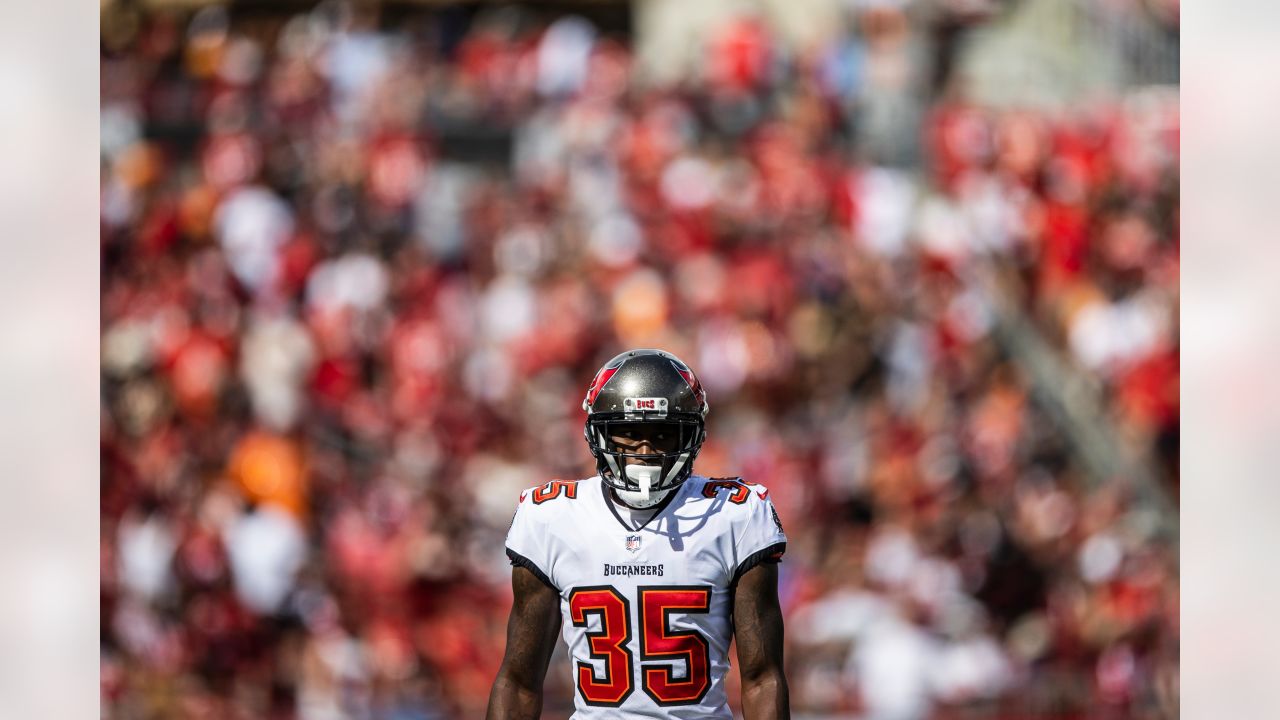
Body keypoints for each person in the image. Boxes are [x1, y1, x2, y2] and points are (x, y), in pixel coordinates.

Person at [486, 349, 790, 719]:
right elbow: (518, 682)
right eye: (629, 434)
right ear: (599, 434)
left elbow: (762, 678)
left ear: (690, 436)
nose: (645, 452)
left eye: (662, 434)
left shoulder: (733, 515)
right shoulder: (552, 517)